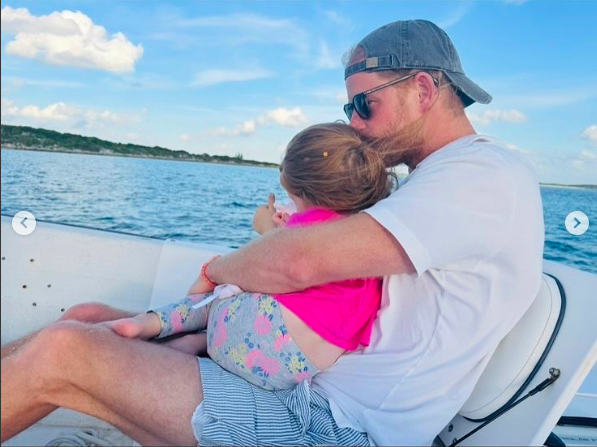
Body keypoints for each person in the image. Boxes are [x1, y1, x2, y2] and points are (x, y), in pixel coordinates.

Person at [0, 19, 544, 446]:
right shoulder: (435, 182)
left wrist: (216, 271)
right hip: (298, 383)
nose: (353, 122)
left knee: (65, 351)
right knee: (87, 319)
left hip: (333, 427)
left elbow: (298, 263)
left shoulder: (482, 177)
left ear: (424, 89)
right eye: (347, 107)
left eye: (364, 104)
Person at [101, 122, 393, 391]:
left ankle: (149, 324)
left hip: (249, 334)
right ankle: (197, 342)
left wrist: (267, 226)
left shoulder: (309, 233)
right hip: (294, 368)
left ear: (292, 181)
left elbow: (275, 258)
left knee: (227, 287)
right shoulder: (364, 238)